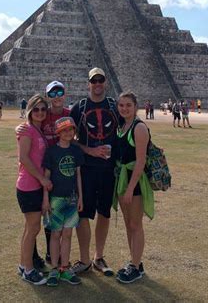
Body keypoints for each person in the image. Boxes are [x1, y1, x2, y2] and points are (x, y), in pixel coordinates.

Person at [69, 67, 119, 276]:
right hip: (86, 170)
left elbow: (127, 129)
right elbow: (69, 138)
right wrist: (89, 149)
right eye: (94, 81)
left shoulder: (114, 106)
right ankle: (84, 259)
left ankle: (98, 256)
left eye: (101, 80)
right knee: (83, 214)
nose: (97, 84)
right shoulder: (79, 108)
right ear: (88, 83)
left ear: (105, 82)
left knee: (104, 213)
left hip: (109, 170)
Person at [16, 81, 71, 269]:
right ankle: (29, 261)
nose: (40, 112)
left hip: (54, 176)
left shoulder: (67, 116)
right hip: (37, 180)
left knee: (50, 218)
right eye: (52, 93)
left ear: (65, 94)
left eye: (60, 92)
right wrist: (20, 126)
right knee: (33, 226)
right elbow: (24, 154)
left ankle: (50, 255)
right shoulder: (32, 126)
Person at [112, 91, 153, 284]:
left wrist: (130, 188)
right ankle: (135, 262)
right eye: (121, 105)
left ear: (135, 106)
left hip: (133, 182)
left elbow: (140, 161)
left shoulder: (139, 128)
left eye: (128, 105)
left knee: (135, 224)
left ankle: (135, 267)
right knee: (129, 224)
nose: (124, 108)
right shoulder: (122, 126)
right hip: (122, 179)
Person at [43, 117, 84, 286]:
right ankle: (54, 268)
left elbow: (78, 175)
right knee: (55, 234)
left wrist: (81, 196)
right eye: (64, 130)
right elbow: (46, 176)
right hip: (56, 199)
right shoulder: (52, 152)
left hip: (72, 198)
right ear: (58, 132)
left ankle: (65, 268)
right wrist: (45, 198)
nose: (68, 133)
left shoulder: (76, 151)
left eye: (71, 130)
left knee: (67, 234)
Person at [16, 94, 51, 285]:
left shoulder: (38, 130)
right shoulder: (28, 130)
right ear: (30, 110)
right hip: (29, 185)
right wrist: (42, 179)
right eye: (36, 109)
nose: (40, 112)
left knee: (30, 228)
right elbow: (24, 158)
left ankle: (23, 264)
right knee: (33, 228)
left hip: (35, 185)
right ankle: (29, 270)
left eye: (43, 109)